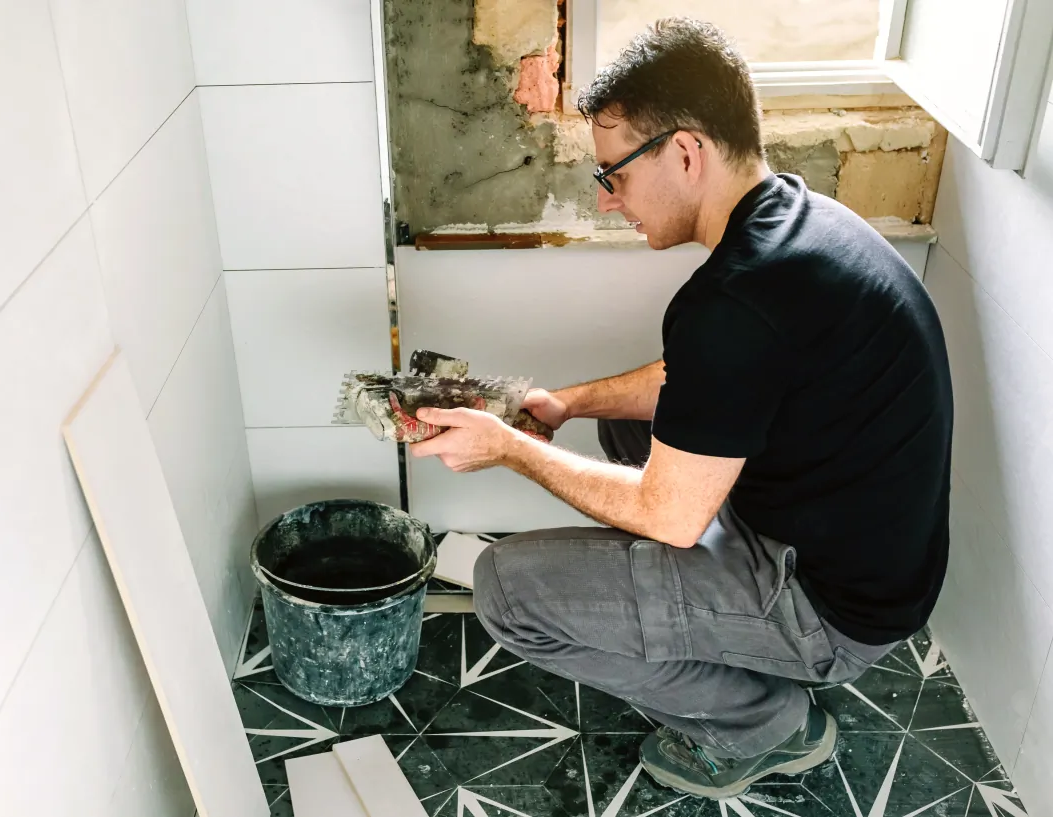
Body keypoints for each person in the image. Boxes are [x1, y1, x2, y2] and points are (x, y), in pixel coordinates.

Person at [407, 16, 954, 800]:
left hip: (831, 612)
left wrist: (509, 447)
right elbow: (698, 376)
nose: (607, 202)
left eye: (614, 175)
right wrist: (565, 404)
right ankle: (708, 619)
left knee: (505, 590)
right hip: (872, 563)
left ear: (686, 151)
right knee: (627, 421)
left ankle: (765, 725)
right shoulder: (800, 221)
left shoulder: (733, 300)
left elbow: (669, 517)